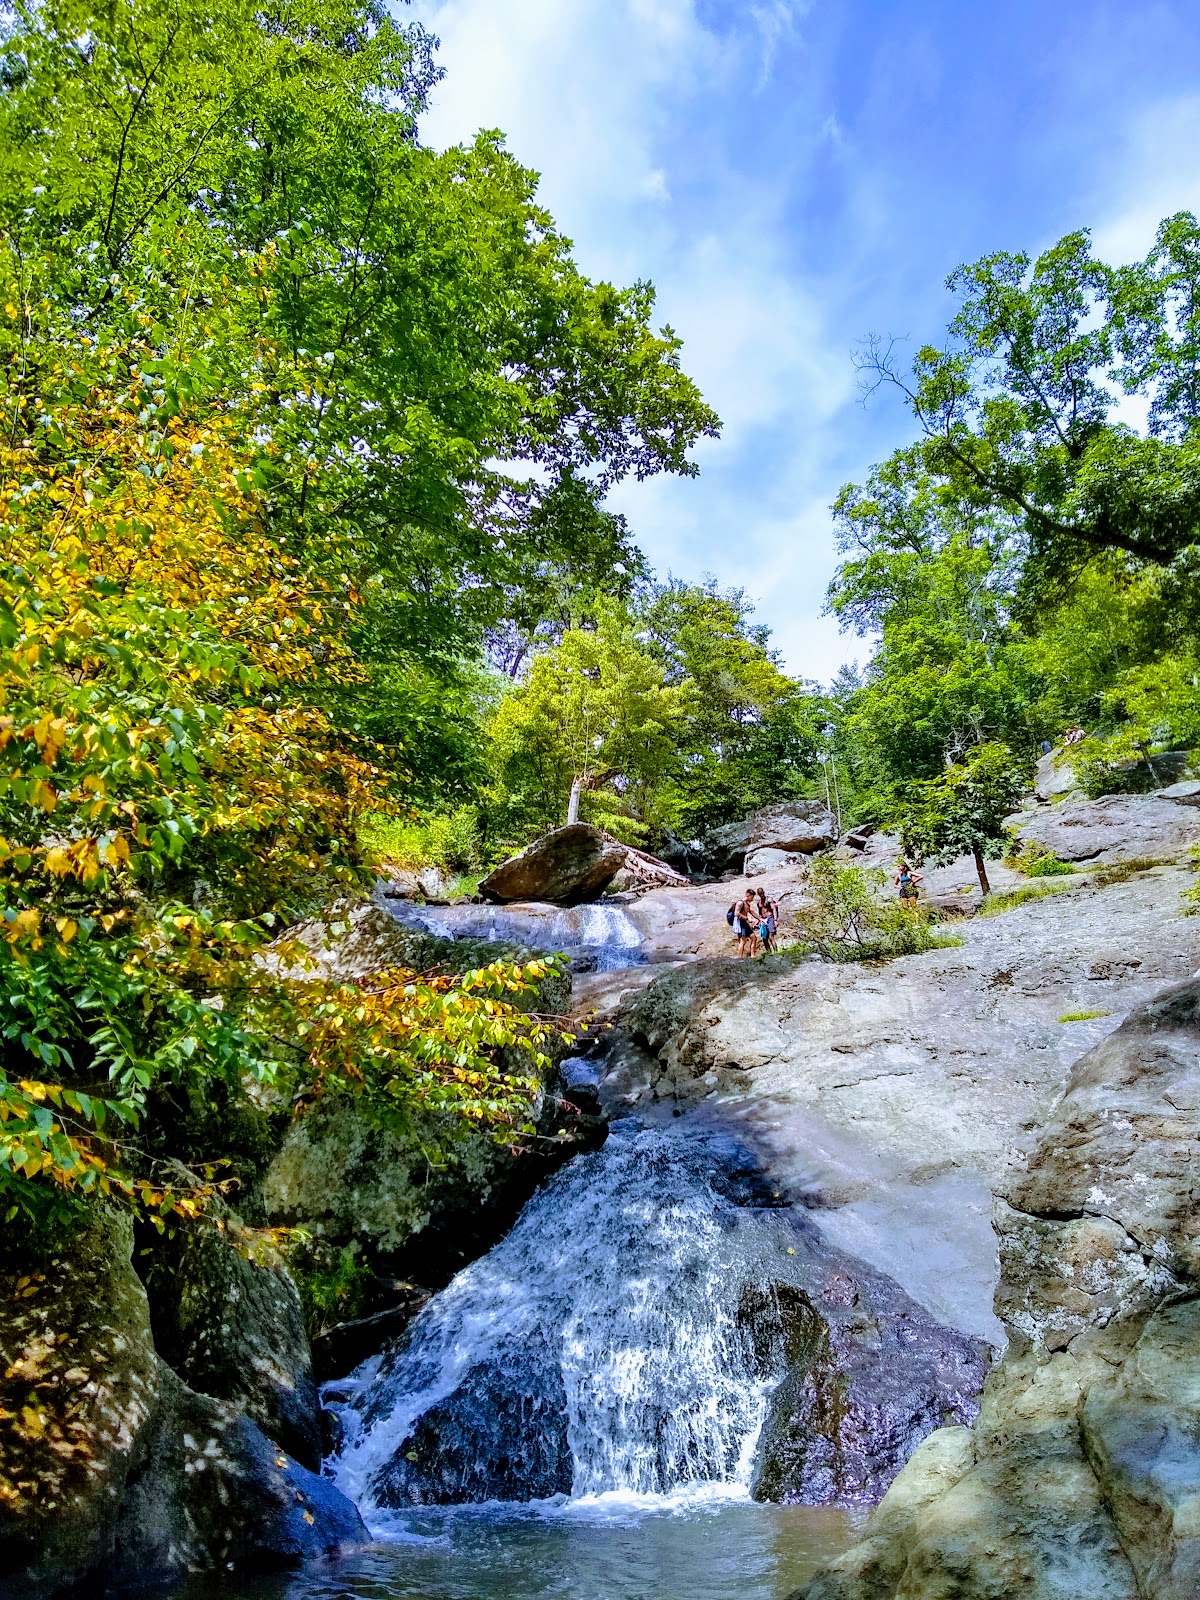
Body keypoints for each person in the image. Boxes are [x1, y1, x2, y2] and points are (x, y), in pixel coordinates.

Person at [733, 890, 758, 958]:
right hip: (740, 923)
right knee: (743, 941)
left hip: (744, 923)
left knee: (754, 938)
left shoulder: (747, 904)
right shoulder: (740, 903)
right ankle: (740, 957)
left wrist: (759, 919)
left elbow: (751, 912)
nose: (752, 899)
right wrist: (746, 918)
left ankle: (753, 955)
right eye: (752, 897)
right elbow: (736, 913)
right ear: (748, 895)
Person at [756, 886, 779, 953]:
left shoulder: (769, 899)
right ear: (758, 894)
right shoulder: (759, 903)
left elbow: (774, 909)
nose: (761, 895)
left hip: (770, 918)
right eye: (760, 894)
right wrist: (758, 921)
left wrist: (775, 920)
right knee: (764, 938)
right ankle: (769, 953)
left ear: (764, 892)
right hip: (763, 920)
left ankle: (776, 952)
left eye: (762, 893)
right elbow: (760, 913)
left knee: (771, 936)